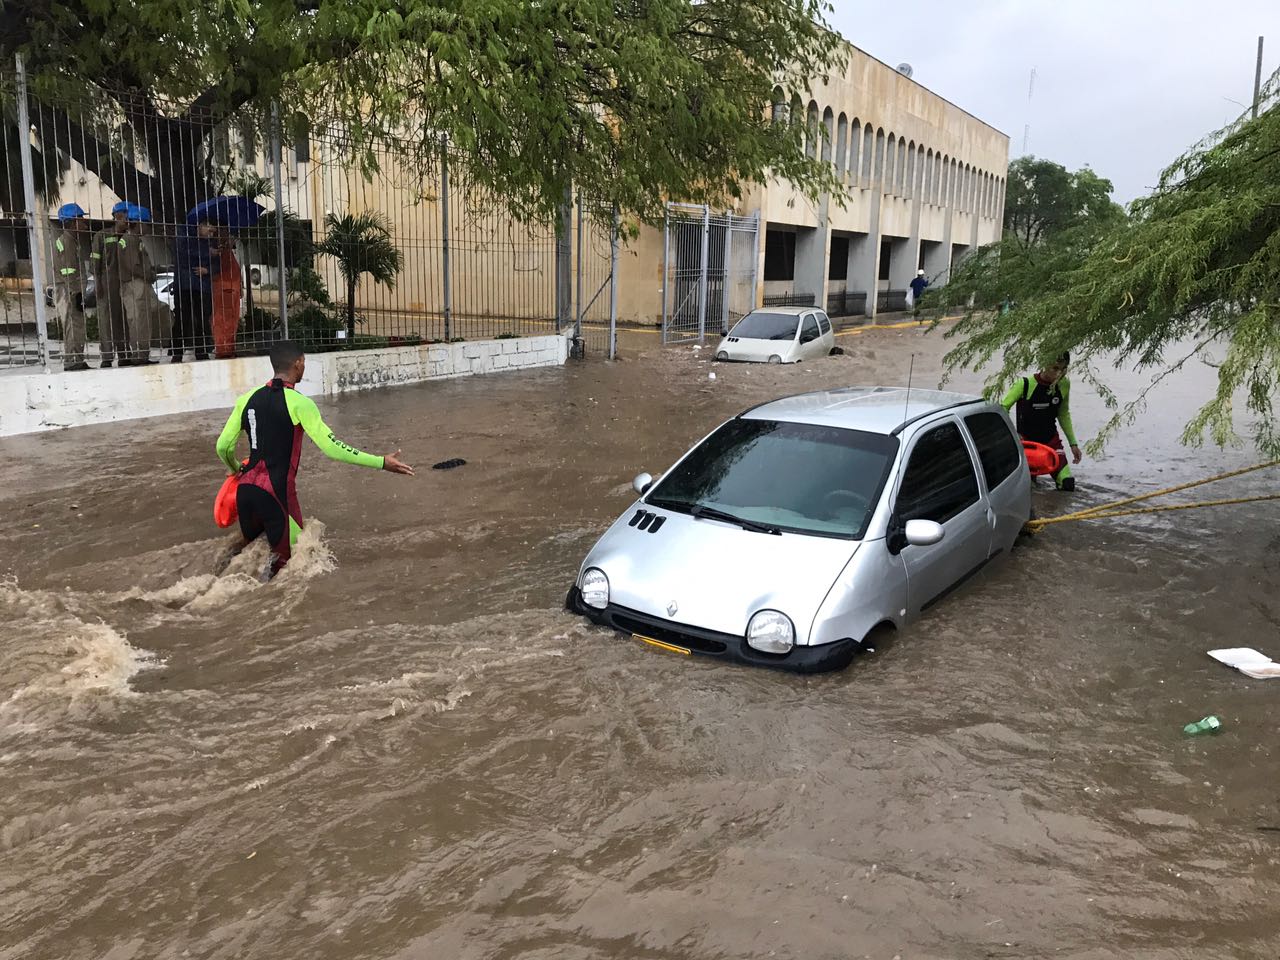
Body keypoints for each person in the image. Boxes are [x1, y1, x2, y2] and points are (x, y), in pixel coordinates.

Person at [215, 340, 415, 579]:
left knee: (246, 566)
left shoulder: (245, 399)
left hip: (245, 493)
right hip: (277, 496)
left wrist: (235, 469)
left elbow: (223, 446)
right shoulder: (301, 403)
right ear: (298, 363)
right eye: (304, 363)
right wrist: (381, 462)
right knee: (288, 573)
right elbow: (332, 448)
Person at [1001, 352, 1083, 492]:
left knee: (1068, 485)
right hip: (1026, 444)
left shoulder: (1064, 384)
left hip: (1051, 442)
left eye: (1063, 369)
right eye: (1055, 368)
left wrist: (1073, 443)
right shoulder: (1024, 384)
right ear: (1044, 365)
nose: (1059, 374)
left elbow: (1063, 414)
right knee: (1027, 489)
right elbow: (1003, 408)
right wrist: (1013, 435)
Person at [116, 204, 158, 366]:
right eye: (147, 224)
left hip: (136, 283)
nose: (148, 228)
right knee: (139, 319)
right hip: (135, 284)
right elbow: (133, 266)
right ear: (139, 223)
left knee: (142, 319)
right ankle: (140, 355)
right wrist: (149, 275)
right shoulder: (129, 240)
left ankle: (142, 353)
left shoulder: (132, 240)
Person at [172, 218, 219, 362]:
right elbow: (183, 255)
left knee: (202, 318)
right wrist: (207, 252)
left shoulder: (211, 243)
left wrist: (207, 270)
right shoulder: (184, 236)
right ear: (200, 226)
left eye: (213, 232)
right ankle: (177, 352)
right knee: (182, 318)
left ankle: (201, 350)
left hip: (202, 285)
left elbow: (218, 265)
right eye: (209, 230)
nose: (211, 234)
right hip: (184, 284)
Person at [50, 203, 91, 371]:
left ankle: (77, 359)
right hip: (69, 290)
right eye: (81, 219)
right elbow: (68, 271)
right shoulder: (67, 242)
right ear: (73, 221)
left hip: (70, 289)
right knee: (73, 326)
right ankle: (72, 360)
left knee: (76, 325)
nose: (84, 224)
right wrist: (76, 293)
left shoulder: (70, 241)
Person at [90, 202, 130, 368]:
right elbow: (95, 262)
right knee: (107, 320)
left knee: (124, 319)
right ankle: (107, 356)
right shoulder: (102, 236)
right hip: (107, 283)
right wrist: (98, 282)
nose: (129, 221)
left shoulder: (130, 236)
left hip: (126, 283)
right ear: (118, 217)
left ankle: (124, 353)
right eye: (127, 217)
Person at [210, 227, 243, 359]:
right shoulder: (219, 251)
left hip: (230, 290)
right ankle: (224, 350)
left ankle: (228, 348)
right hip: (225, 290)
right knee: (223, 322)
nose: (231, 237)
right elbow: (220, 271)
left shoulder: (226, 251)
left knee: (231, 321)